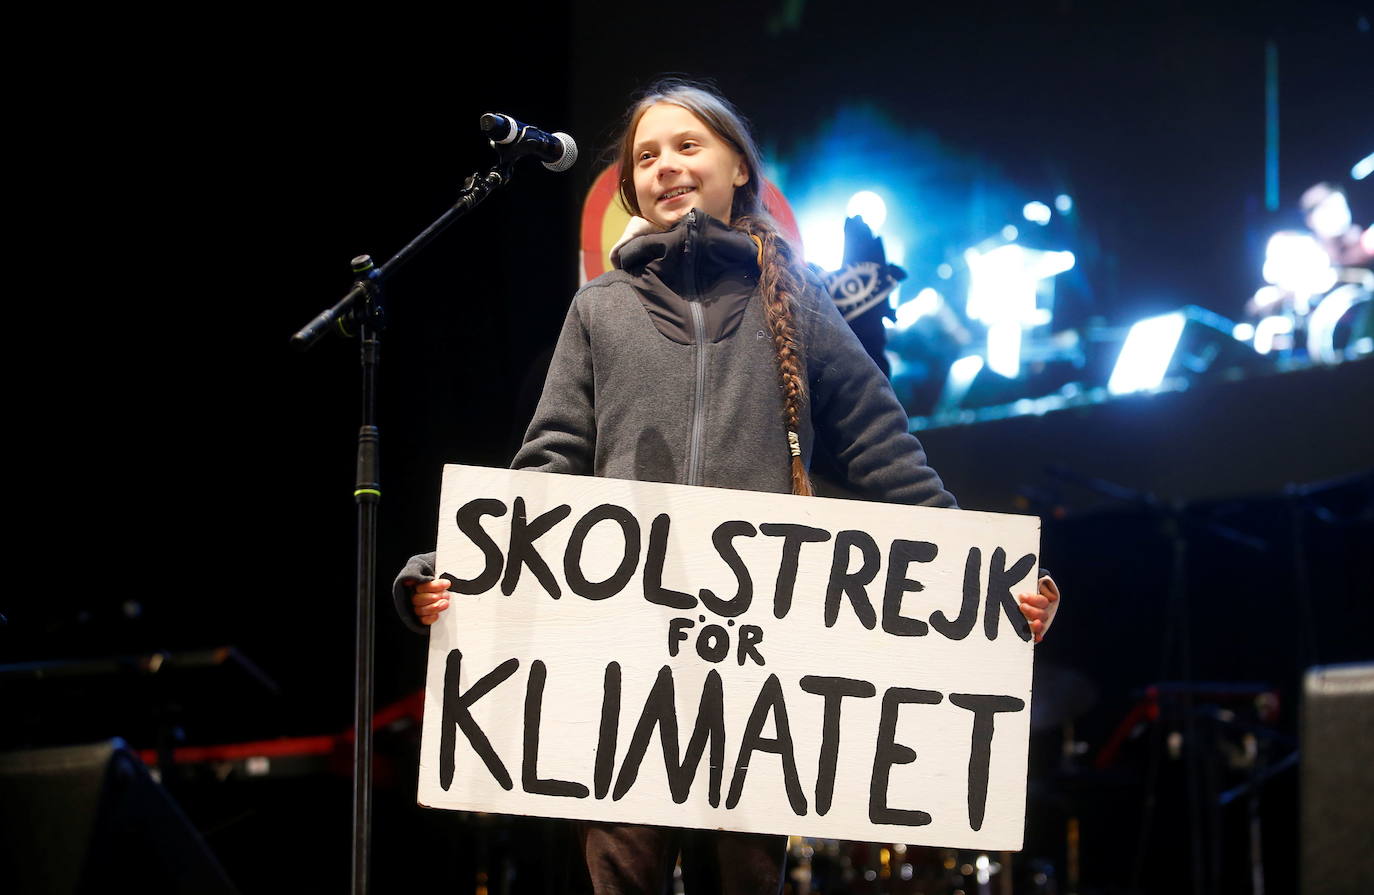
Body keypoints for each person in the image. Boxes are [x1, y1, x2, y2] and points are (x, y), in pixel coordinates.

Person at [395, 79, 1061, 895]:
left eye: (687, 146)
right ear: (628, 184)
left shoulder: (802, 305)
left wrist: (989, 585)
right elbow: (548, 468)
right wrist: (457, 566)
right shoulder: (598, 310)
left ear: (739, 166)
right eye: (646, 156)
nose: (666, 166)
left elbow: (891, 460)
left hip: (756, 682)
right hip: (620, 671)